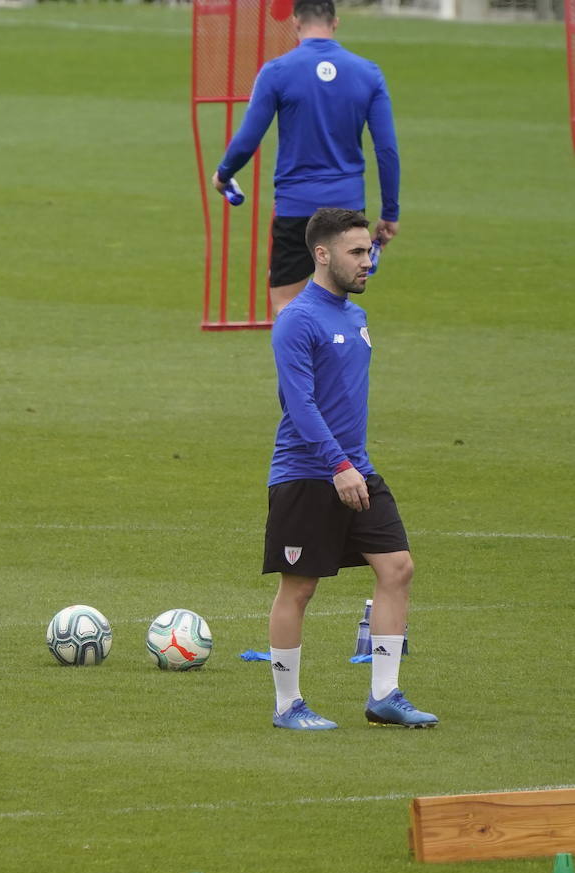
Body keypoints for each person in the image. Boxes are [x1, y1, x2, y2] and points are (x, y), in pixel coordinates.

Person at [262, 208, 436, 730]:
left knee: (397, 567)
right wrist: (337, 464)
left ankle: (385, 694)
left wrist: (350, 465)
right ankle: (287, 704)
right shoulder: (297, 319)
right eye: (357, 253)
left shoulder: (354, 316)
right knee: (300, 587)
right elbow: (300, 403)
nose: (369, 262)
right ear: (322, 254)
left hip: (355, 468)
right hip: (307, 473)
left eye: (370, 251)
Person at [211, 0, 400, 317]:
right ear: (335, 23)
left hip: (296, 205)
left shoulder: (277, 71)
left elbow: (249, 137)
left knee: (287, 308)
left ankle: (300, 368)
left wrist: (223, 173)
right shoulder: (368, 73)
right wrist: (390, 213)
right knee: (337, 308)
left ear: (296, 23)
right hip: (347, 208)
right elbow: (387, 149)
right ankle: (338, 367)